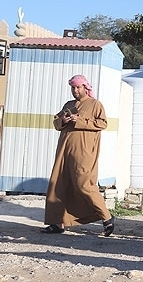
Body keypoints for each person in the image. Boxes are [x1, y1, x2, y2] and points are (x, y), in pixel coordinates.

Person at [42, 75, 115, 236]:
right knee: (58, 184)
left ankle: (107, 218)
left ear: (85, 88)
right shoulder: (69, 104)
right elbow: (56, 123)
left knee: (84, 185)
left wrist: (79, 120)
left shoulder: (95, 104)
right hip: (64, 151)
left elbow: (102, 123)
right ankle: (57, 223)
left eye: (78, 87)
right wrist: (64, 119)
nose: (75, 91)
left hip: (84, 152)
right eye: (73, 88)